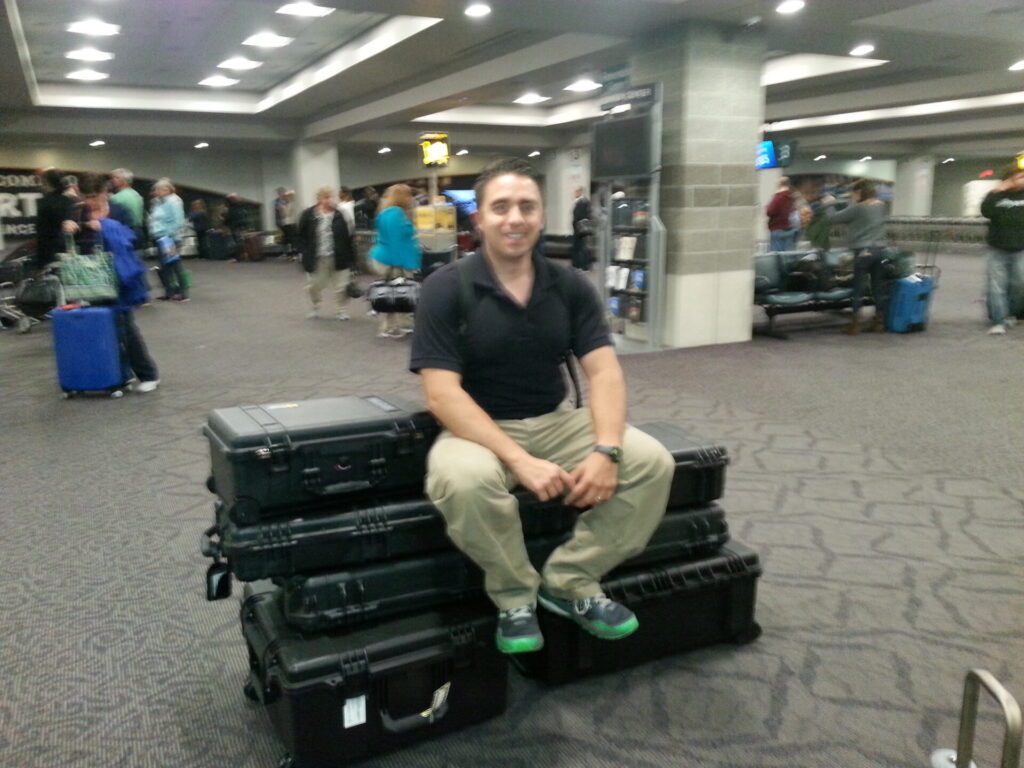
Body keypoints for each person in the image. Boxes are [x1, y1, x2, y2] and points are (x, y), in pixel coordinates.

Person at [410, 158, 674, 654]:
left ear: (541, 216)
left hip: (555, 421)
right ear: (480, 219)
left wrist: (607, 450)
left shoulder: (570, 285)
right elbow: (442, 393)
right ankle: (514, 595)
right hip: (476, 428)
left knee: (651, 462)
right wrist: (519, 459)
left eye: (527, 207)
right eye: (501, 207)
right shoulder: (446, 288)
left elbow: (604, 372)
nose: (515, 218)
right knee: (461, 481)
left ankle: (570, 579)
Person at [61, 172, 159, 392]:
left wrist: (105, 226)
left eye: (94, 196)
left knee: (125, 327)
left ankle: (148, 374)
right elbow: (66, 243)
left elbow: (136, 237)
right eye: (85, 196)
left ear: (106, 192)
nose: (89, 201)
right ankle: (118, 374)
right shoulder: (76, 211)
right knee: (100, 328)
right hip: (89, 279)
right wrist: (68, 229)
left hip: (119, 276)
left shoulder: (120, 210)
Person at [823, 179, 889, 334]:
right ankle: (879, 322)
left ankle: (855, 325)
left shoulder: (858, 208)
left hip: (863, 251)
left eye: (853, 192)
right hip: (879, 250)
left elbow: (832, 219)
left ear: (859, 192)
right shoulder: (881, 206)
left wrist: (828, 204)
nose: (851, 195)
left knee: (858, 288)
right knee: (877, 286)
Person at [369, 183, 420, 338]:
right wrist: (401, 265)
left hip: (387, 258)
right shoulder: (396, 213)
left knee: (391, 294)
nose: (412, 198)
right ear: (402, 197)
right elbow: (395, 241)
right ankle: (399, 326)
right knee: (401, 293)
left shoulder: (386, 212)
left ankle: (392, 326)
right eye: (409, 195)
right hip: (394, 260)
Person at [297, 186, 355, 320]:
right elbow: (300, 235)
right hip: (317, 257)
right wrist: (303, 252)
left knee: (341, 286)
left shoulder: (340, 214)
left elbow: (348, 237)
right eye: (325, 197)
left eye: (330, 197)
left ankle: (341, 310)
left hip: (338, 256)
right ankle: (315, 306)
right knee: (314, 286)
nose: (329, 200)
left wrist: (352, 259)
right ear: (319, 199)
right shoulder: (308, 215)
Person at [980, 163, 1024, 335]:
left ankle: (1011, 314)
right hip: (997, 247)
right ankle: (998, 320)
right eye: (1020, 177)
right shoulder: (996, 196)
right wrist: (997, 191)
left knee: (1019, 284)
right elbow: (986, 211)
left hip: (1021, 247)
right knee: (996, 286)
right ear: (1010, 179)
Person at [148, 178, 188, 302]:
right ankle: (169, 292)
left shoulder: (174, 202)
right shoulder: (159, 202)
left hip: (170, 239)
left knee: (175, 265)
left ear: (166, 190)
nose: (156, 192)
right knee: (164, 267)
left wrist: (167, 234)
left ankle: (183, 293)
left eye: (158, 189)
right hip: (160, 238)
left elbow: (178, 221)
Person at [32, 167, 74, 273]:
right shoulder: (68, 201)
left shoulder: (44, 202)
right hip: (64, 248)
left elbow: (40, 228)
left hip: (47, 249)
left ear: (47, 183)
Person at [109, 168, 146, 243]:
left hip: (125, 233)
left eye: (116, 177)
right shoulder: (137, 195)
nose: (112, 180)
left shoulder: (117, 198)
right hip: (139, 232)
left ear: (124, 180)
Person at [765, 176, 797, 252]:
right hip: (791, 229)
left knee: (777, 256)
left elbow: (770, 211)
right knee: (789, 255)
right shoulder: (793, 196)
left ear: (779, 184)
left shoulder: (778, 197)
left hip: (778, 228)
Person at [570, 186, 593, 271]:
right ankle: (580, 265)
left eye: (575, 192)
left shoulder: (583, 202)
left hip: (580, 228)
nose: (574, 194)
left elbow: (580, 215)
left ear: (579, 193)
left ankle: (582, 265)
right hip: (579, 228)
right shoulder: (581, 202)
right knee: (580, 246)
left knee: (581, 246)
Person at [274, 187, 298, 257]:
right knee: (287, 238)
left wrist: (282, 209)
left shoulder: (290, 202)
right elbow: (280, 214)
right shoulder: (279, 202)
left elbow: (287, 214)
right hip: (285, 223)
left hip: (290, 222)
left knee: (291, 238)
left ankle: (293, 253)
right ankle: (289, 253)